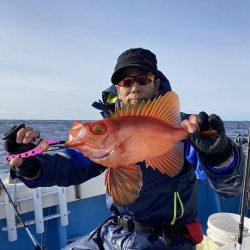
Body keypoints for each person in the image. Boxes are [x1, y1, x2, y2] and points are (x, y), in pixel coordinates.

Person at [4, 48, 244, 250]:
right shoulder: (110, 132)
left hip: (168, 241)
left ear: (156, 83)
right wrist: (30, 164)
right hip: (112, 232)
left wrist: (221, 156)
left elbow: (230, 186)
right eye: (126, 82)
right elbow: (71, 163)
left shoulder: (183, 130)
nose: (135, 88)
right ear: (117, 89)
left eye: (144, 79)